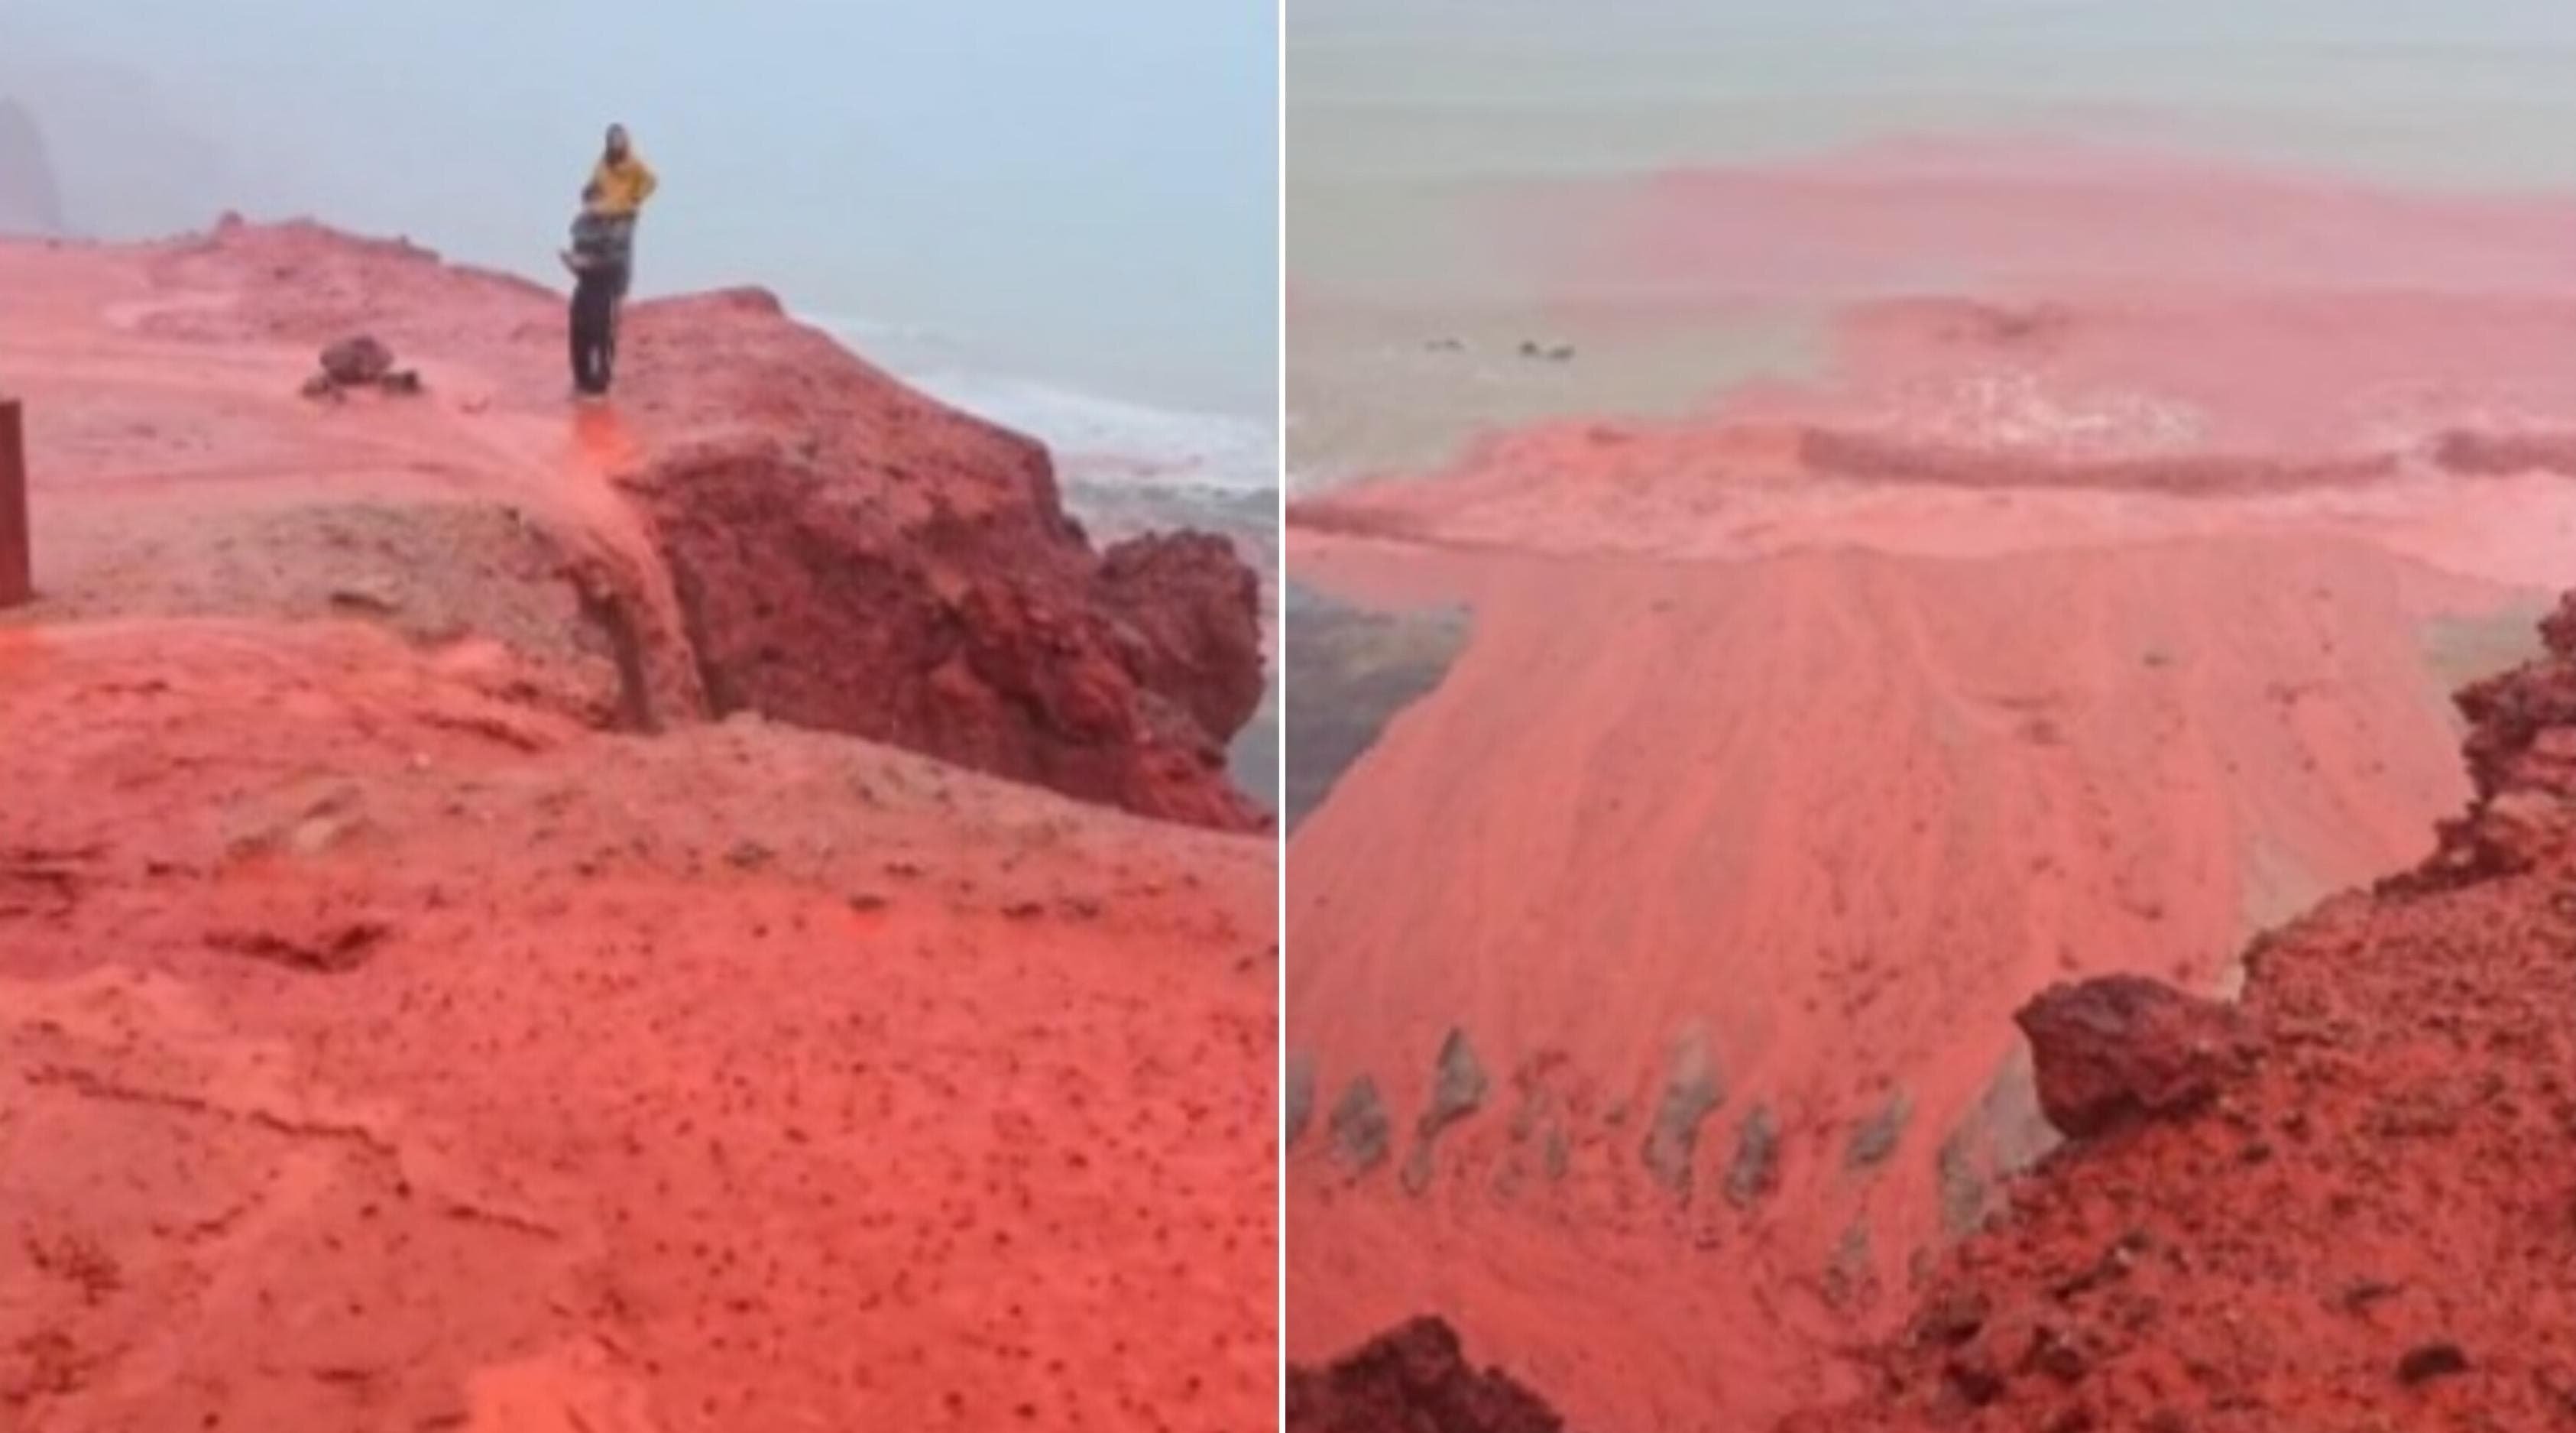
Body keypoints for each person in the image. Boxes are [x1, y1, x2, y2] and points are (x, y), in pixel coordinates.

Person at [560, 184, 630, 397]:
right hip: (584, 286)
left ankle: (600, 387)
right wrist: (572, 262)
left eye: (597, 201)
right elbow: (577, 253)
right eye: (589, 201)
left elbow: (616, 262)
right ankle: (581, 381)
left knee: (602, 337)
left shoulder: (616, 227)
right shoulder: (580, 225)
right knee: (579, 334)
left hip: (605, 289)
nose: (593, 206)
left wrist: (589, 263)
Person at [586, 124, 658, 310]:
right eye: (612, 141)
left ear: (625, 142)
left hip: (624, 214)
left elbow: (651, 180)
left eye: (619, 140)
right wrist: (590, 191)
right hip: (602, 212)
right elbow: (595, 182)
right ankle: (592, 281)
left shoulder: (634, 164)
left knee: (621, 248)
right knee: (587, 236)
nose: (616, 144)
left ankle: (621, 290)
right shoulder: (603, 163)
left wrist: (637, 197)